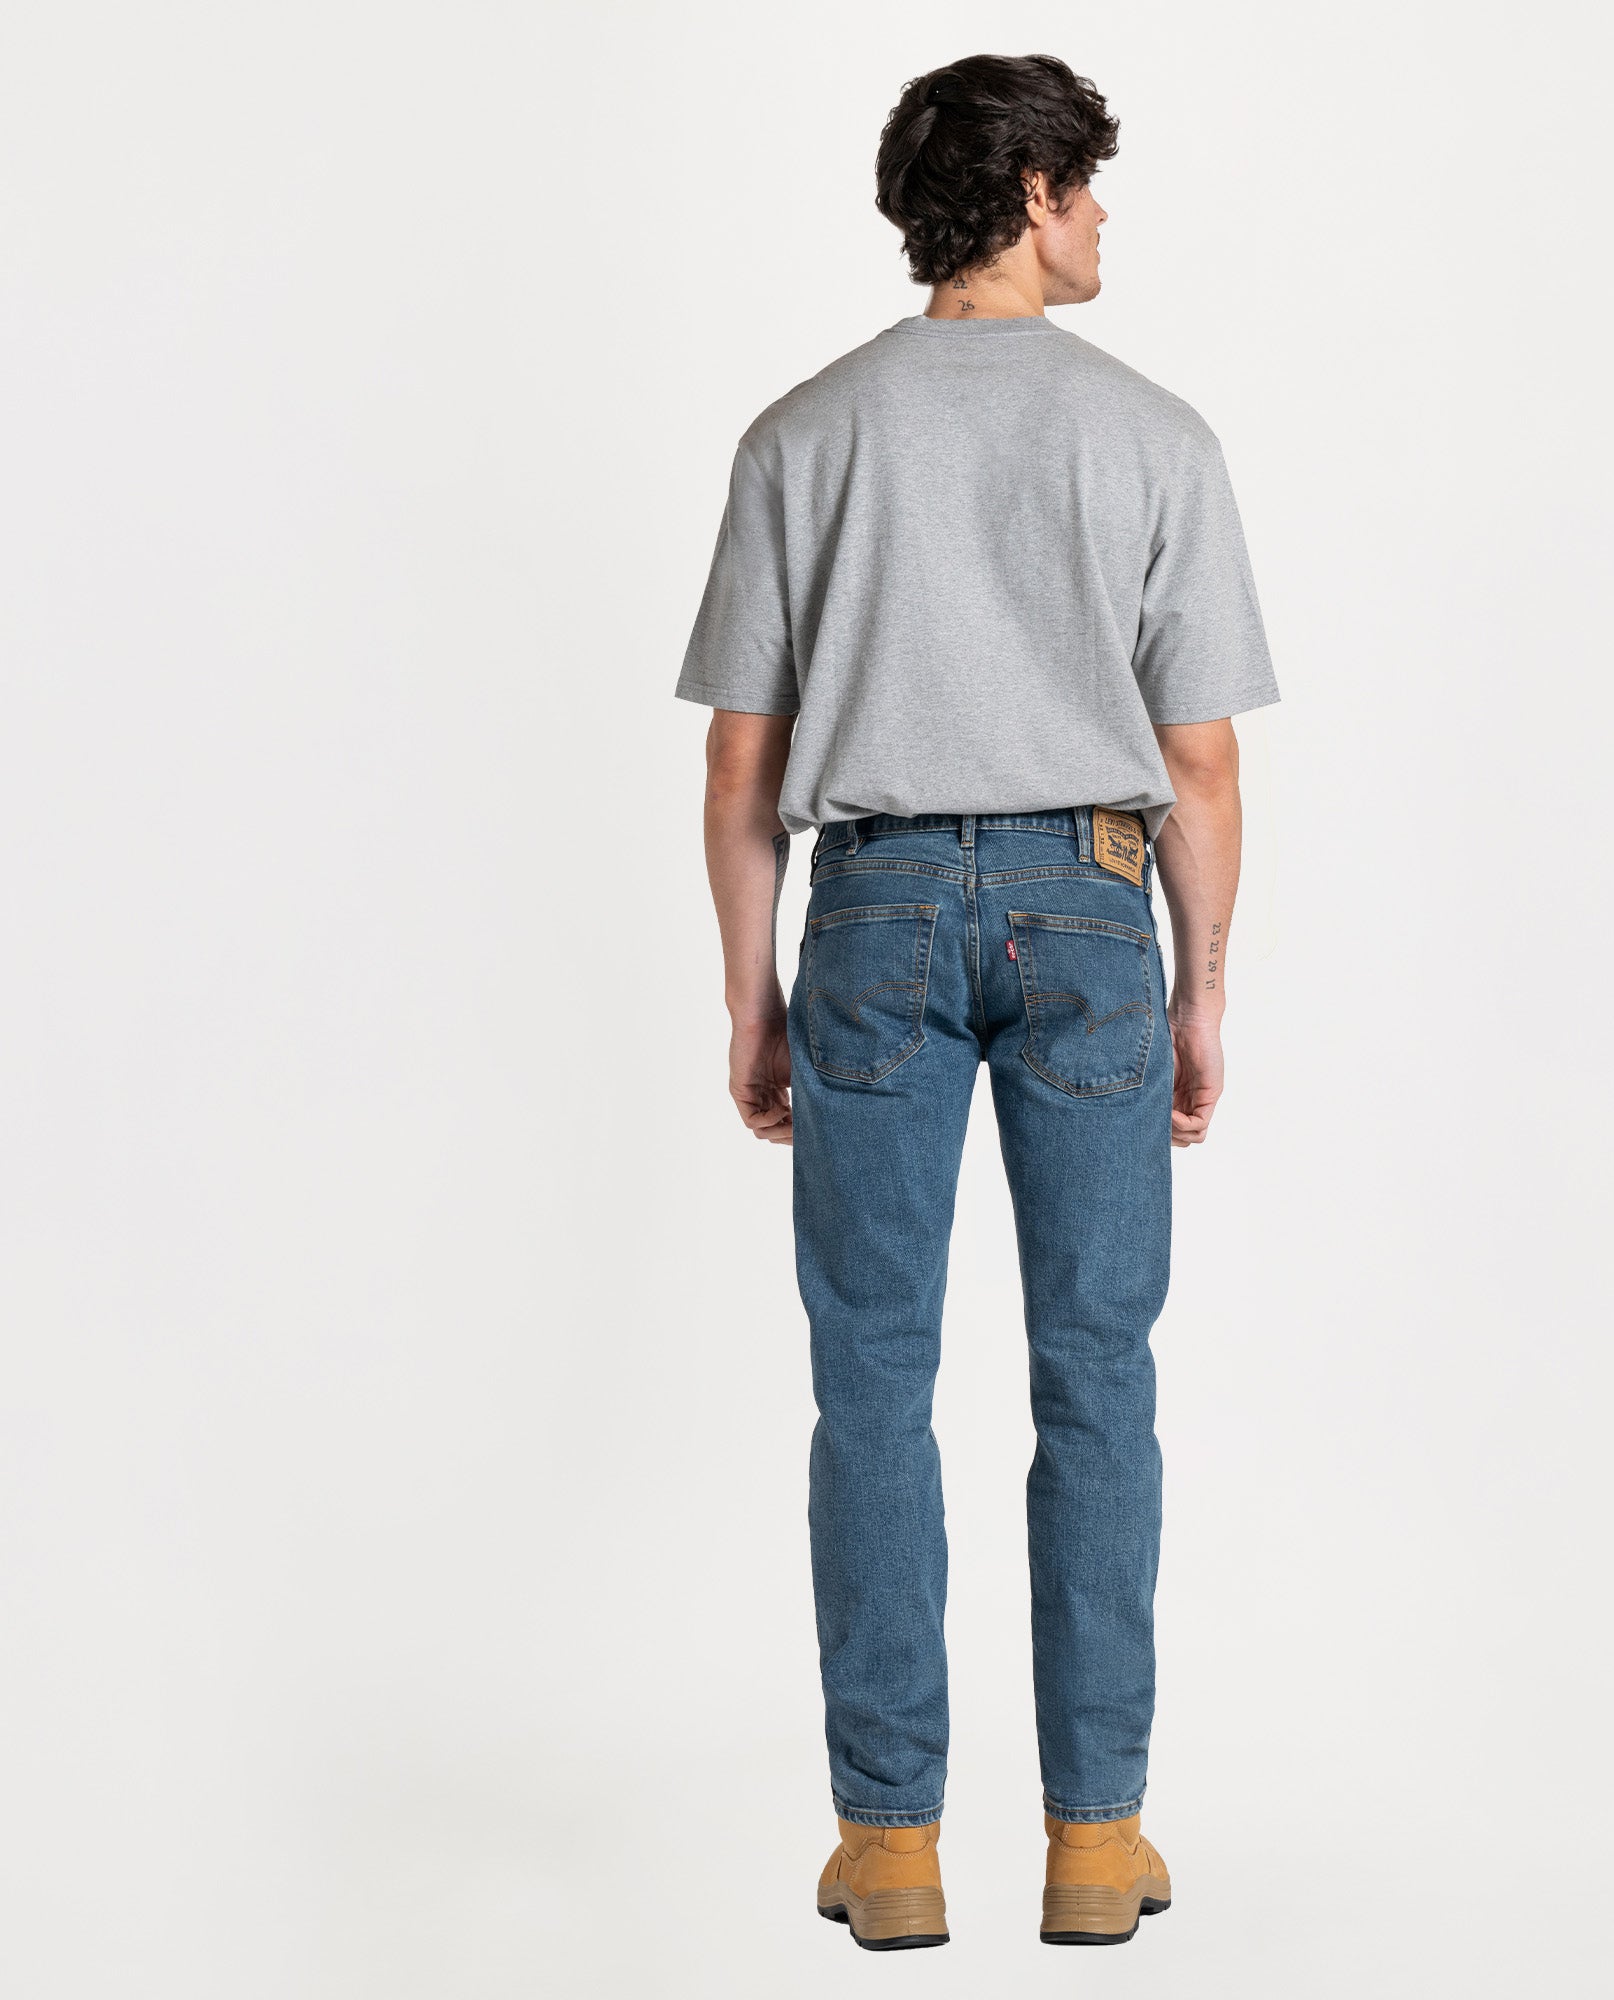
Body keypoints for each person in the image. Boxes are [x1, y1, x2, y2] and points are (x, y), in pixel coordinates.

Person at [678, 53, 1279, 1951]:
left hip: (865, 913)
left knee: (871, 1375)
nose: (1101, 221)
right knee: (1098, 1373)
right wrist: (1201, 990)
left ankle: (892, 1845)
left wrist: (752, 993)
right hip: (1090, 912)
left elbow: (740, 762)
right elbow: (1200, 764)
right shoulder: (1153, 436)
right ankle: (1095, 1839)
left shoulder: (802, 435)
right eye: (1085, 187)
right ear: (1028, 195)